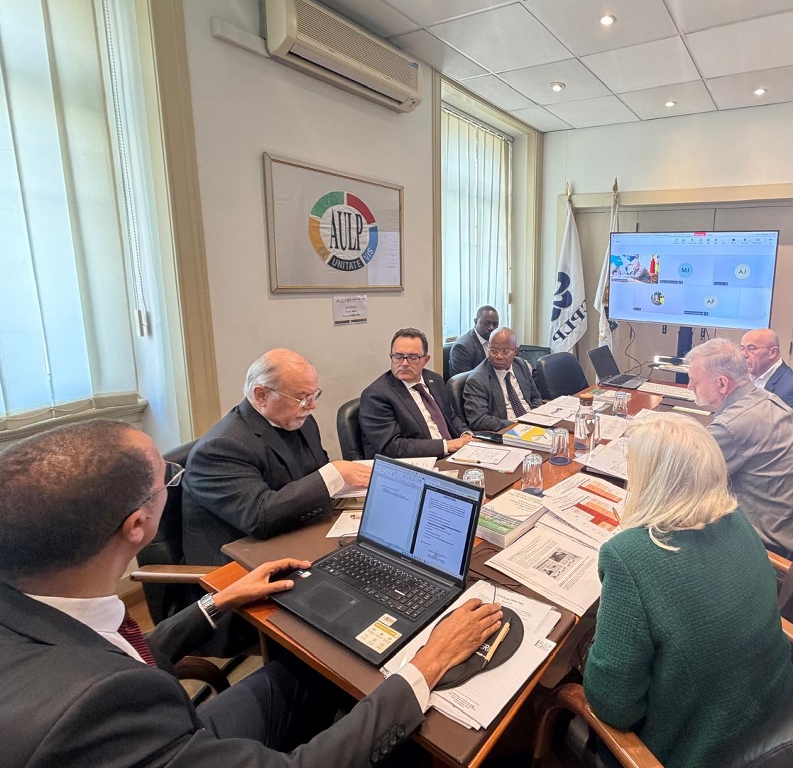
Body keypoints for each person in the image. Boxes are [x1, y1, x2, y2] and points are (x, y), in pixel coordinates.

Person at [0, 420, 503, 768]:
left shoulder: (33, 610)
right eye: (167, 481)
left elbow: (120, 652)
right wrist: (427, 665)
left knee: (309, 669)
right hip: (176, 739)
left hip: (169, 725)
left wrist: (220, 599)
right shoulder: (95, 709)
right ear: (138, 525)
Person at [583, 414, 793, 768]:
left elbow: (614, 707)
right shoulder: (738, 519)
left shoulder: (629, 556)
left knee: (561, 683)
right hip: (771, 726)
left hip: (691, 751)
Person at [182, 349, 371, 566]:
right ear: (261, 395)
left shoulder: (302, 422)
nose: (312, 406)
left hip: (292, 534)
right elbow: (259, 517)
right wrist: (333, 475)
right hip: (237, 562)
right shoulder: (220, 448)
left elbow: (313, 477)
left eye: (314, 395)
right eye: (302, 398)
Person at [686, 338, 793, 556]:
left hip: (769, 544)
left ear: (722, 384)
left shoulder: (731, 425)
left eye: (695, 381)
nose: (690, 387)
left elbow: (683, 481)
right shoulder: (765, 398)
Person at [359, 328, 473, 459]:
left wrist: (465, 434)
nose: (404, 363)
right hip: (419, 461)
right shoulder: (376, 395)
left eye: (413, 358)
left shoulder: (435, 379)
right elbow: (391, 447)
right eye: (398, 357)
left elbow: (450, 416)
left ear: (426, 360)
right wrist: (447, 446)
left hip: (454, 455)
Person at [741, 328, 793, 438]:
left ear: (772, 353)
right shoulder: (748, 378)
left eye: (751, 349)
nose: (744, 354)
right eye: (742, 349)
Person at [463, 327, 542, 432]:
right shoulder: (477, 380)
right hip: (506, 431)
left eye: (505, 351)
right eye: (494, 351)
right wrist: (516, 425)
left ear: (515, 351)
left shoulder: (520, 365)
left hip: (532, 424)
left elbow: (535, 398)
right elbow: (479, 420)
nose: (499, 356)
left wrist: (536, 419)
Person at [449, 305, 499, 376]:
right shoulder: (462, 348)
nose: (491, 328)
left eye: (495, 324)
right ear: (476, 321)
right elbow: (464, 380)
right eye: (486, 323)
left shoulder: (497, 341)